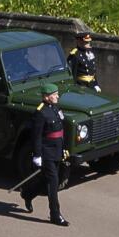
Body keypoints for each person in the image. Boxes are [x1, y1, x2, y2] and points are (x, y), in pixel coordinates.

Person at [18, 84, 69, 226]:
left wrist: (64, 149)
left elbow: (60, 131)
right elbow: (36, 136)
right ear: (47, 97)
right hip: (46, 153)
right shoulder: (40, 113)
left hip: (57, 150)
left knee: (44, 181)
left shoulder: (55, 109)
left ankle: (27, 194)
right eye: (55, 94)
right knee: (53, 182)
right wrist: (37, 155)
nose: (58, 96)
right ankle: (55, 215)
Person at [66, 22, 100, 92]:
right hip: (81, 87)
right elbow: (72, 74)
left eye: (88, 42)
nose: (88, 44)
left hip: (92, 85)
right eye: (86, 42)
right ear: (79, 41)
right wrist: (75, 89)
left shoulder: (90, 52)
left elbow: (93, 70)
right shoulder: (74, 55)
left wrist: (96, 84)